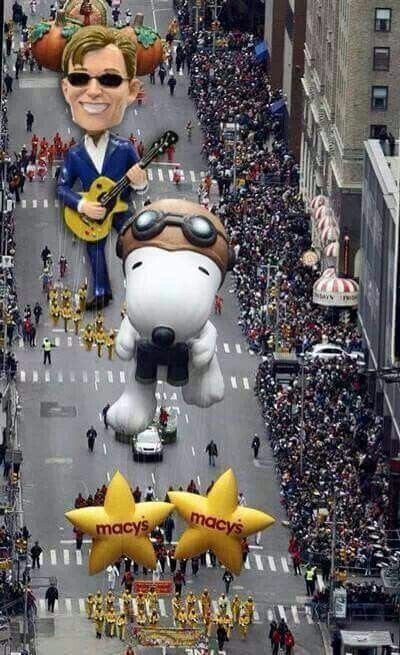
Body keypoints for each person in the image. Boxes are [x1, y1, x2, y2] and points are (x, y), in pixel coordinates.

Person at [57, 26, 148, 310]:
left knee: (136, 243)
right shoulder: (74, 154)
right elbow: (61, 187)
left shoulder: (124, 149)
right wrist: (81, 204)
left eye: (109, 79)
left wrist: (140, 182)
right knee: (94, 251)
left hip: (121, 209)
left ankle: (142, 286)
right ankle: (101, 289)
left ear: (131, 90)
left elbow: (140, 183)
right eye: (80, 78)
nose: (94, 92)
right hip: (92, 213)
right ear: (66, 88)